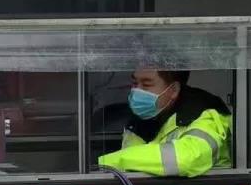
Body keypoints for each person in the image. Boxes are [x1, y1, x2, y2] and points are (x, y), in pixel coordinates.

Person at [97, 68, 231, 177]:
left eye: (146, 85)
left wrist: (110, 162)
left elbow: (187, 159)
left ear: (173, 90)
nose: (136, 91)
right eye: (135, 84)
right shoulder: (141, 119)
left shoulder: (206, 114)